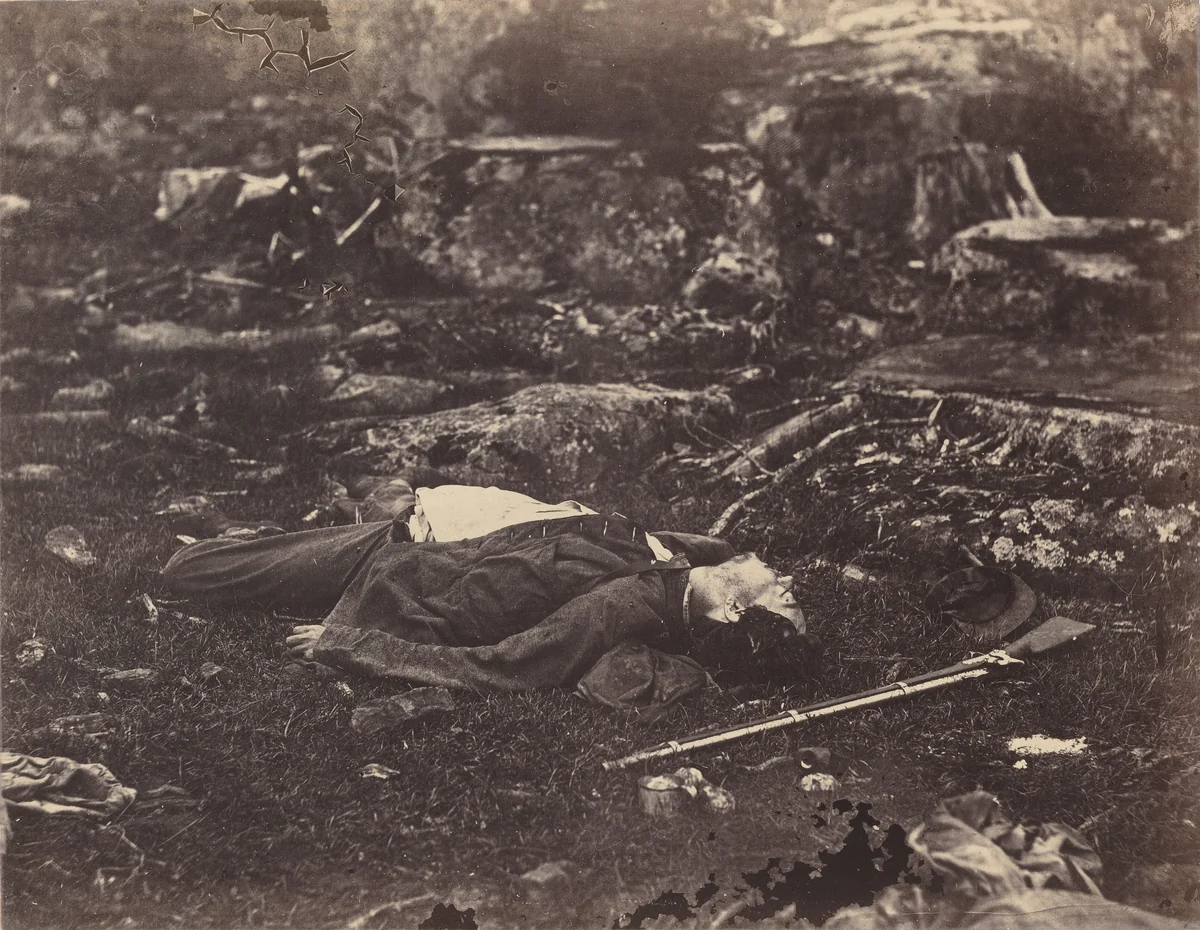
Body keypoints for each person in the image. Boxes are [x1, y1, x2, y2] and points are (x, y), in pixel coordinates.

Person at [163, 482, 816, 693]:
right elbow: (730, 556)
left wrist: (354, 645)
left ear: (732, 608)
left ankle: (248, 540)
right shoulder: (688, 563)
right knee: (251, 555)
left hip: (396, 568)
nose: (787, 580)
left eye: (783, 595)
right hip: (443, 522)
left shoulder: (626, 605)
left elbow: (505, 666)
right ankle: (283, 529)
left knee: (189, 571)